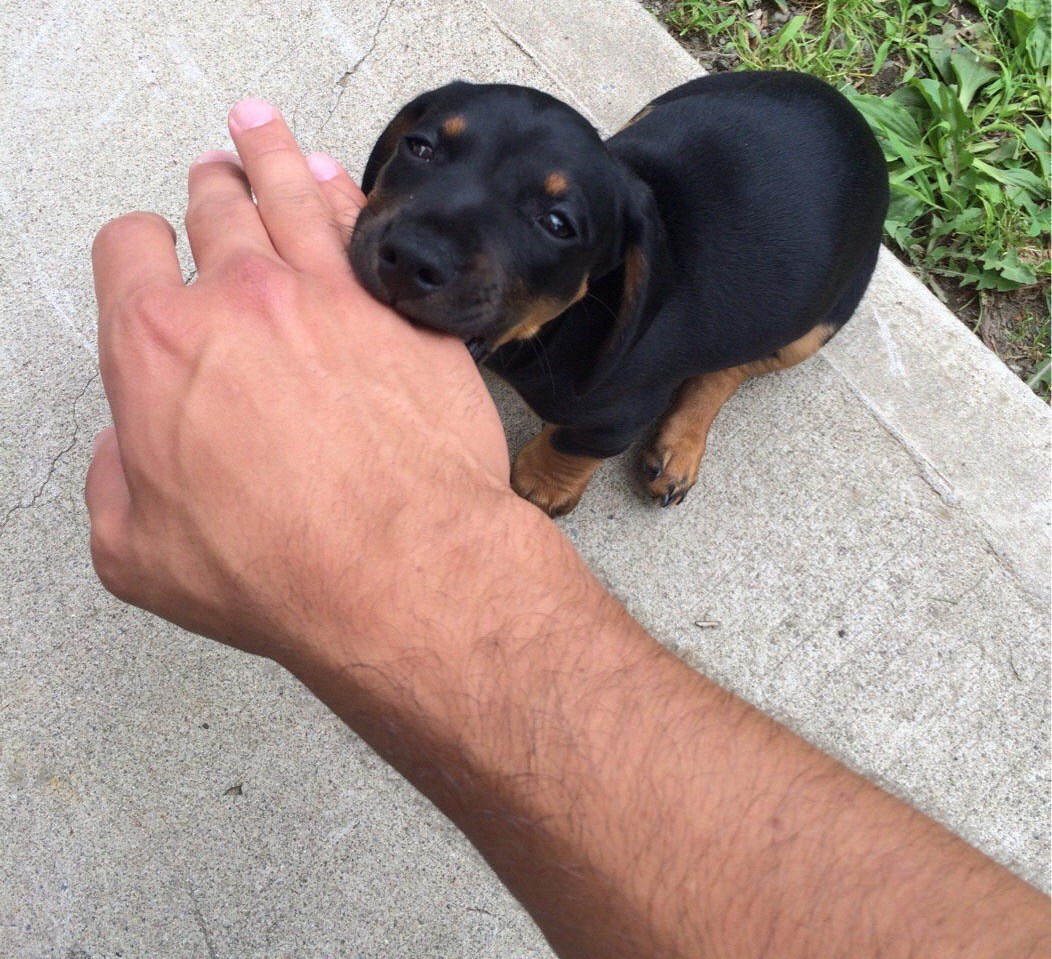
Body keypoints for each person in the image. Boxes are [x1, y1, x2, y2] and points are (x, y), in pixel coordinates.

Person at [86, 99, 1049, 959]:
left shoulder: (589, 364)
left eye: (555, 221)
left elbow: (598, 416)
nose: (424, 242)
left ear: (611, 279)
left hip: (798, 269)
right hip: (730, 124)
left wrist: (551, 465)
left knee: (782, 342)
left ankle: (715, 385)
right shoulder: (590, 231)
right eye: (424, 150)